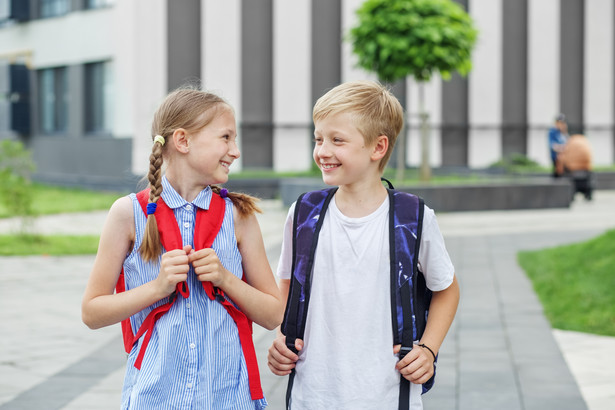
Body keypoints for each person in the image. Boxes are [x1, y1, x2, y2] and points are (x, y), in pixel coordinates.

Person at [82, 87, 284, 409]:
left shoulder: (239, 217)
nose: (235, 151)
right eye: (226, 138)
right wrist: (157, 287)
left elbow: (273, 314)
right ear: (183, 141)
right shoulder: (128, 214)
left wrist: (226, 279)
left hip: (228, 396)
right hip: (156, 397)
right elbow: (92, 312)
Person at [267, 80, 459, 409]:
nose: (322, 151)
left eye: (337, 140)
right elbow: (287, 283)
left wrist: (428, 349)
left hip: (388, 395)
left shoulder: (413, 218)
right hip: (311, 395)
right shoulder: (304, 214)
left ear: (377, 147)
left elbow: (447, 289)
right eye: (319, 139)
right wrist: (281, 338)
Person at [556, 133, 594, 200]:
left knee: (567, 173)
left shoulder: (570, 143)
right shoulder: (584, 142)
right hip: (586, 167)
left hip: (573, 168)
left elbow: (563, 158)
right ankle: (588, 195)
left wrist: (559, 171)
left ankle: (571, 193)